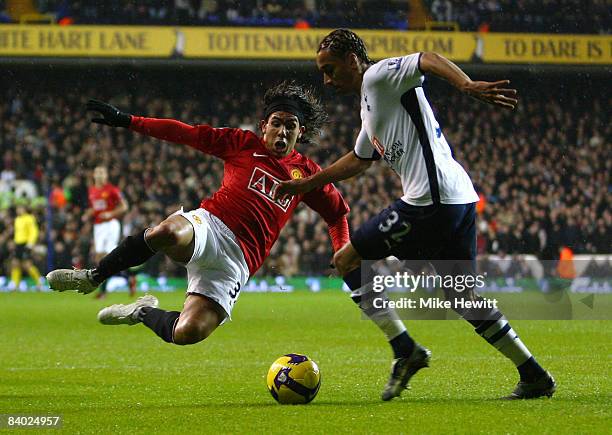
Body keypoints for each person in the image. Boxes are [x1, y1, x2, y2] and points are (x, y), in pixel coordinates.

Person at [274, 29, 556, 400]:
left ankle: (405, 350)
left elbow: (426, 58)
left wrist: (466, 84)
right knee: (463, 297)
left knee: (346, 259)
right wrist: (309, 182)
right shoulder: (371, 103)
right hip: (457, 197)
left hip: (430, 200)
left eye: (331, 69)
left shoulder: (378, 76)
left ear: (353, 60)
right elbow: (359, 160)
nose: (327, 80)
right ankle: (534, 375)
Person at [46, 81, 350, 347]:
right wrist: (129, 120)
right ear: (263, 125)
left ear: (301, 131)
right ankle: (92, 276)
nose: (282, 131)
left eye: (290, 125)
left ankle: (141, 311)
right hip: (210, 226)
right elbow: (185, 133)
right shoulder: (241, 143)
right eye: (276, 123)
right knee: (167, 232)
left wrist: (342, 252)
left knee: (188, 332)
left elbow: (337, 215)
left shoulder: (308, 174)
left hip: (239, 261)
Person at [82, 165, 129, 298]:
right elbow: (95, 208)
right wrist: (88, 214)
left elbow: (125, 206)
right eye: (98, 172)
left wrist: (111, 213)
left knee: (106, 257)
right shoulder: (91, 190)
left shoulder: (112, 190)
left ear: (106, 175)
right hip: (98, 226)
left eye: (102, 172)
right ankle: (128, 277)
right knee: (99, 258)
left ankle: (103, 292)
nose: (100, 175)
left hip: (111, 224)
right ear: (94, 175)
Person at [10, 205, 42, 291]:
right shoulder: (17, 219)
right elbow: (17, 233)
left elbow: (34, 231)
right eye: (17, 208)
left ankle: (39, 283)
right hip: (18, 244)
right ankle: (15, 285)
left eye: (20, 208)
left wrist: (30, 244)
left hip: (25, 244)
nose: (18, 210)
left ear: (24, 209)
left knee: (27, 265)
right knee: (15, 264)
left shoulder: (29, 218)